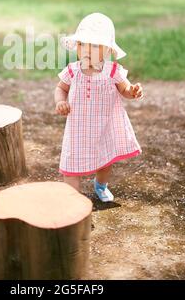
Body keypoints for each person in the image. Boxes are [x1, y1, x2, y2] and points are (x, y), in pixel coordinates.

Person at [54, 12, 144, 202]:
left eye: (94, 45)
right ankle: (72, 200)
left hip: (104, 126)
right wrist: (60, 101)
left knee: (104, 161)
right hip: (78, 128)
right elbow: (60, 88)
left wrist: (132, 91)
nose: (86, 49)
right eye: (82, 44)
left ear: (107, 49)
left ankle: (101, 185)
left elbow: (124, 89)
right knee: (71, 165)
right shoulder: (73, 70)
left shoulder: (112, 71)